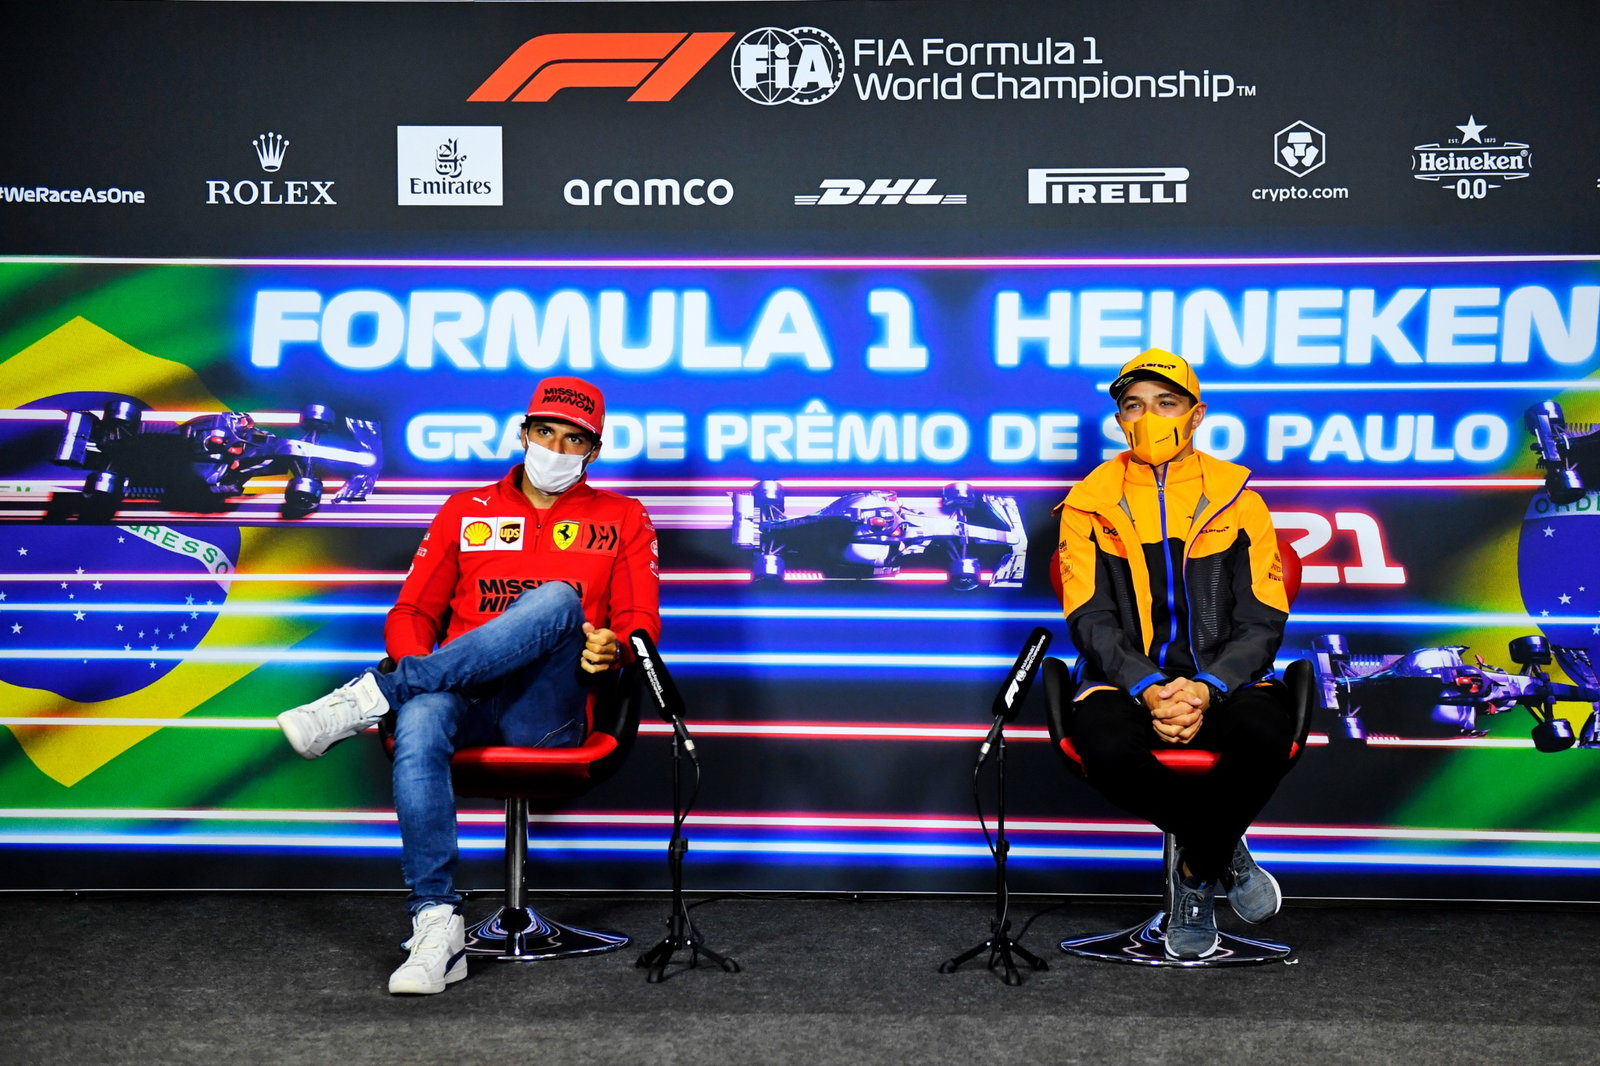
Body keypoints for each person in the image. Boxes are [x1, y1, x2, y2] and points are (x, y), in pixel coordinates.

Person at [276, 375, 660, 994]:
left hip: (549, 711)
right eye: (545, 432)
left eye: (574, 440)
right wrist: (422, 674)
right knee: (425, 714)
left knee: (557, 598)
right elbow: (411, 615)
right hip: (461, 704)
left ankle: (375, 696)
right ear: (523, 432)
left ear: (593, 449)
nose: (556, 449)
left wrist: (613, 645)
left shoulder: (623, 516)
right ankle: (437, 924)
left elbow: (641, 621)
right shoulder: (465, 508)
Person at [1054, 349, 1293, 961]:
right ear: (1118, 420)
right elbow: (1089, 616)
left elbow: (1263, 618)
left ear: (1196, 413)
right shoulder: (1087, 502)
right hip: (1124, 681)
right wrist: (1150, 686)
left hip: (1226, 680)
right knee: (1104, 747)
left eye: (1166, 402)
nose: (1149, 417)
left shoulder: (1240, 499)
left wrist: (1207, 686)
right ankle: (1219, 847)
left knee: (1266, 731)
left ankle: (1191, 878)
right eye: (1132, 406)